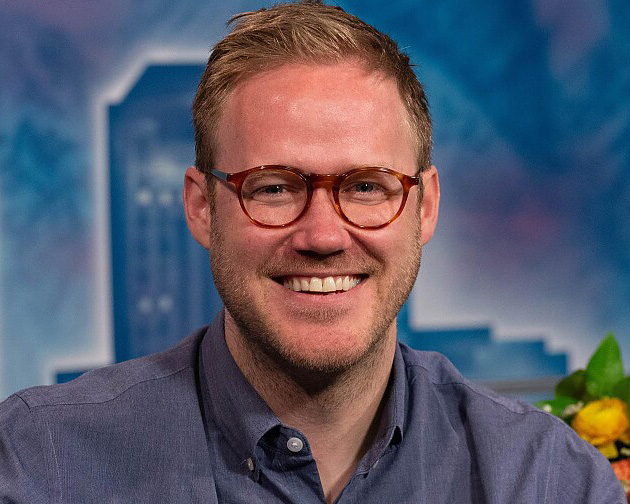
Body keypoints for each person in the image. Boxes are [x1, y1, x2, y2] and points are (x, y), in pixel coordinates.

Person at [0, 2, 625, 503]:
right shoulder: (44, 464)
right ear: (200, 207)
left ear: (425, 206)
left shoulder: (547, 480)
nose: (324, 237)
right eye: (272, 188)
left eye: (364, 187)